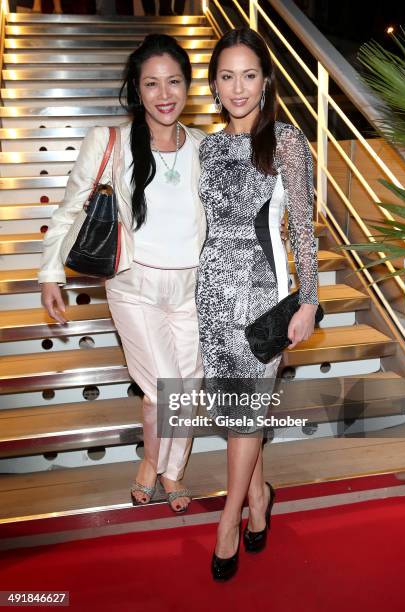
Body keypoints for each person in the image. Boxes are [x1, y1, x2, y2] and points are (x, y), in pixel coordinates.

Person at [38, 34, 206, 513]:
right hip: (136, 285)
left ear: (187, 86)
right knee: (163, 386)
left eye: (174, 81)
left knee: (186, 387)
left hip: (194, 287)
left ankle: (170, 468)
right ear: (137, 89)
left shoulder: (203, 146)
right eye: (151, 84)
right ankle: (151, 464)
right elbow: (70, 209)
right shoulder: (109, 141)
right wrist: (51, 271)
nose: (164, 93)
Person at [196, 27, 319, 580]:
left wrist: (308, 302)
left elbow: (303, 234)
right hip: (212, 299)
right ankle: (259, 498)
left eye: (249, 75)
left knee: (244, 414)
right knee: (237, 412)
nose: (238, 87)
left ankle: (227, 523)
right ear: (215, 85)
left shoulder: (287, 141)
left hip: (262, 302)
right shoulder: (207, 146)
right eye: (227, 76)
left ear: (267, 81)